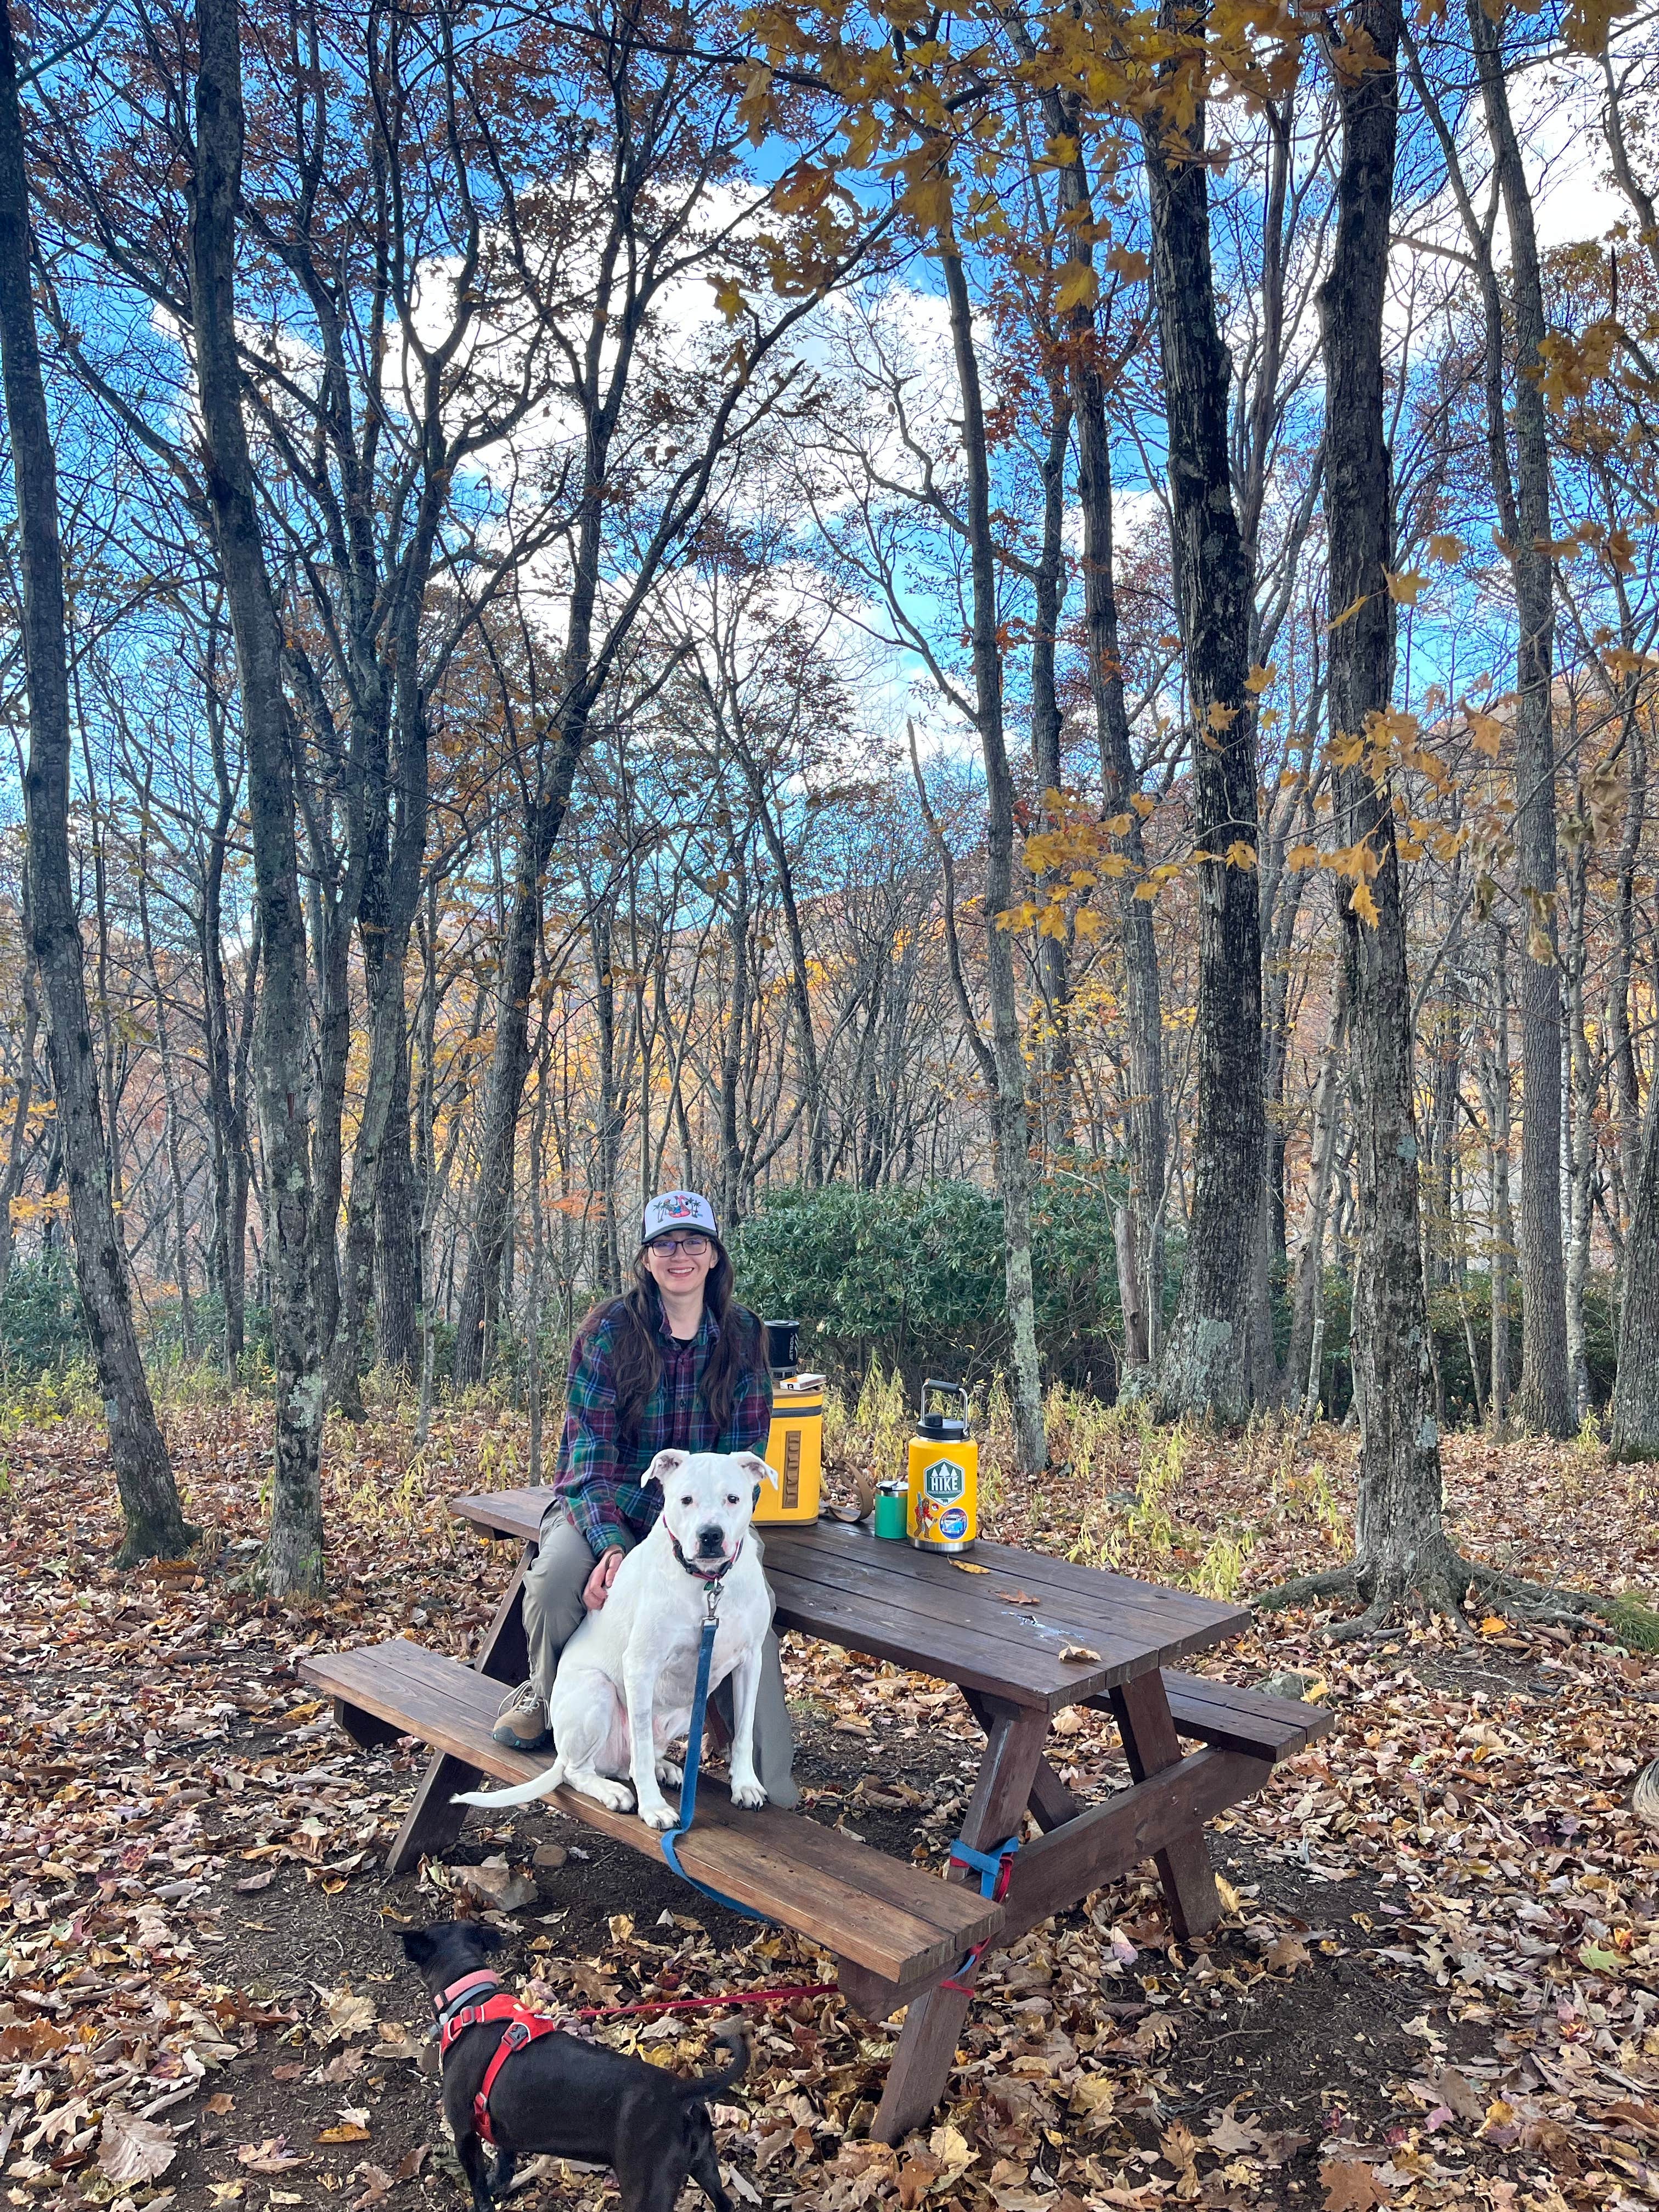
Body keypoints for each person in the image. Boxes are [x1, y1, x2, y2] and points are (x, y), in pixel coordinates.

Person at [492, 1189, 798, 1808]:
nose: (678, 1255)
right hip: (609, 1505)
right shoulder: (609, 1332)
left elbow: (746, 1453)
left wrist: (720, 1529)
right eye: (664, 1243)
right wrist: (610, 1547)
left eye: (692, 1242)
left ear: (713, 1256)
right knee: (554, 1584)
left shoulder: (743, 1337)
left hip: (703, 1516)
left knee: (752, 1603)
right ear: (646, 1257)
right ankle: (549, 1697)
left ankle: (761, 1758)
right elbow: (586, 1461)